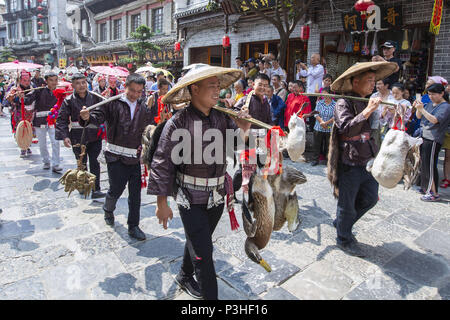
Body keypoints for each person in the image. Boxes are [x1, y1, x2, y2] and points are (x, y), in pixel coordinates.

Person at [147, 65, 252, 300]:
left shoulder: (222, 118)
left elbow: (235, 145)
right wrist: (161, 202)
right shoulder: (177, 123)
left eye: (218, 86)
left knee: (198, 241)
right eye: (211, 86)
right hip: (189, 198)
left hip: (216, 196)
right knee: (205, 253)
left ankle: (184, 275)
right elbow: (162, 163)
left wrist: (243, 127)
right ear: (195, 89)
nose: (218, 91)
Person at [328, 61, 397, 257]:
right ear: (355, 82)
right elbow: (347, 128)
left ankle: (342, 224)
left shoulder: (367, 100)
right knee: (346, 203)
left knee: (370, 198)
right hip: (350, 160)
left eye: (374, 81)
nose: (372, 85)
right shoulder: (344, 102)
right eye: (368, 80)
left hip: (367, 159)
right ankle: (344, 238)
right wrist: (368, 110)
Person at [80, 73, 154, 239]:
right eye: (132, 90)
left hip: (134, 157)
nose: (135, 94)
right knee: (116, 189)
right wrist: (87, 117)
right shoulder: (112, 104)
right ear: (125, 87)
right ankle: (108, 209)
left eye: (139, 91)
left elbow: (147, 127)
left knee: (136, 193)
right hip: (115, 156)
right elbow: (96, 117)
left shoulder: (143, 107)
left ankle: (133, 226)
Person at [56, 73, 105, 199]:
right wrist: (65, 136)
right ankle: (83, 186)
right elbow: (61, 120)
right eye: (78, 83)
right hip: (77, 137)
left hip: (94, 136)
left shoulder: (96, 98)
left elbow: (103, 114)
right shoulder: (68, 101)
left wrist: (92, 118)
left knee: (95, 162)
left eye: (83, 82)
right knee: (81, 163)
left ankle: (95, 189)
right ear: (72, 85)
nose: (81, 85)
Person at [413, 83, 450, 201]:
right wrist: (418, 108)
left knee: (430, 166)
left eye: (433, 94)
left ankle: (434, 193)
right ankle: (426, 188)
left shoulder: (445, 106)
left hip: (434, 138)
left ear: (442, 94)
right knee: (424, 164)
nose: (431, 97)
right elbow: (419, 117)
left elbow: (434, 120)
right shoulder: (429, 103)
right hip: (424, 136)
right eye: (429, 94)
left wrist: (422, 109)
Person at [24, 71, 61, 172]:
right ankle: (46, 161)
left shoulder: (60, 92)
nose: (54, 82)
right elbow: (28, 100)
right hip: (40, 120)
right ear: (46, 81)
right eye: (51, 80)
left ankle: (56, 163)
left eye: (55, 80)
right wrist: (21, 96)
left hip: (54, 120)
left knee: (55, 142)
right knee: (42, 143)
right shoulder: (38, 91)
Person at [5, 70, 36, 158]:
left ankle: (27, 145)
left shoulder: (33, 88)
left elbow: (34, 99)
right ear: (20, 80)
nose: (26, 83)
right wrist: (14, 96)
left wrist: (25, 97)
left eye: (28, 80)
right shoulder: (14, 89)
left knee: (29, 130)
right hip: (19, 113)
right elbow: (9, 101)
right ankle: (22, 147)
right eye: (24, 80)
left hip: (30, 113)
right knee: (20, 129)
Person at [311, 86, 335, 166]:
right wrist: (322, 122)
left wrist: (326, 123)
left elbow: (335, 116)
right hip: (318, 126)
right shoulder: (319, 103)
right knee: (317, 144)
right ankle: (315, 160)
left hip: (329, 127)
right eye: (323, 94)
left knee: (328, 145)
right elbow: (316, 113)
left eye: (325, 94)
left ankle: (328, 160)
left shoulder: (335, 104)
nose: (323, 96)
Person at [370, 79, 393, 147]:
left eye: (380, 84)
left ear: (386, 85)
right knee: (375, 145)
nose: (377, 86)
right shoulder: (374, 96)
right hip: (375, 125)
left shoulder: (393, 95)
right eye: (376, 84)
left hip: (390, 126)